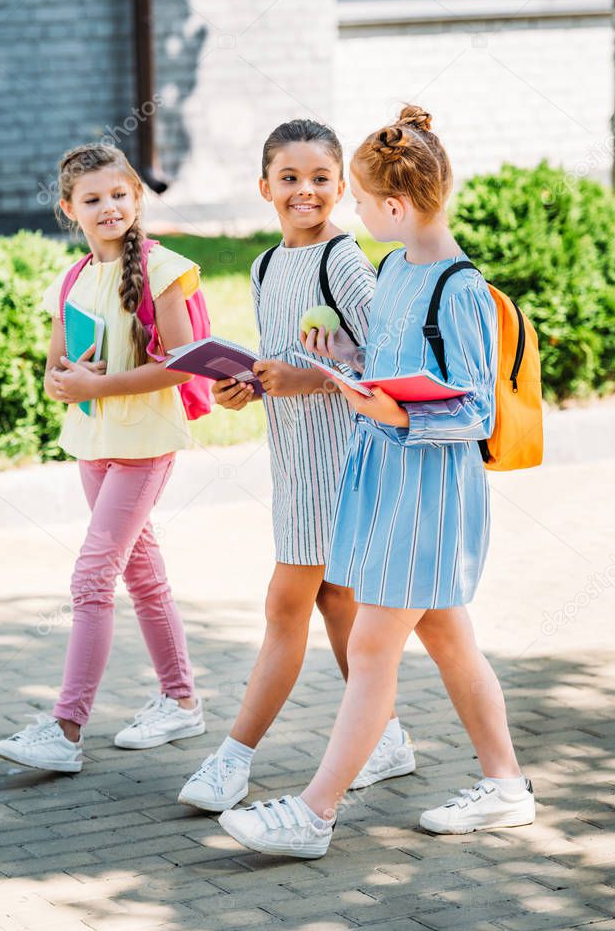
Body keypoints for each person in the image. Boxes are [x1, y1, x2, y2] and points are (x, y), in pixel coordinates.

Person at [217, 106, 535, 858]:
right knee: (453, 642)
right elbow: (383, 364)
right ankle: (505, 786)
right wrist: (346, 360)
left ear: (394, 206)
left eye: (359, 198)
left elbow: (475, 407)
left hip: (427, 493)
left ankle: (314, 812)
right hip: (387, 484)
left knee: (368, 650)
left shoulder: (457, 287)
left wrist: (389, 407)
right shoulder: (395, 269)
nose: (352, 212)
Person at [179, 119, 415, 811]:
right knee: (336, 601)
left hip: (343, 461)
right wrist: (243, 386)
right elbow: (280, 359)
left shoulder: (341, 260)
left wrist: (307, 378)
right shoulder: (260, 266)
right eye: (289, 178)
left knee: (286, 604)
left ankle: (232, 757)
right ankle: (387, 739)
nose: (304, 191)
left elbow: (385, 365)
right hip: (293, 461)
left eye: (319, 179)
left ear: (342, 187)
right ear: (264, 187)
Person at [0, 143, 204, 773]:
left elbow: (182, 361)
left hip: (144, 444)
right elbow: (58, 368)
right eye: (92, 199)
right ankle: (181, 699)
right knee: (141, 573)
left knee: (91, 576)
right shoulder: (73, 278)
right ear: (69, 209)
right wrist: (63, 381)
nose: (108, 207)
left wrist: (99, 386)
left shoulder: (166, 270)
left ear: (137, 198)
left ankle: (66, 728)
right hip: (93, 444)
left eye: (119, 195)